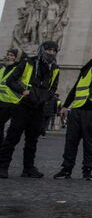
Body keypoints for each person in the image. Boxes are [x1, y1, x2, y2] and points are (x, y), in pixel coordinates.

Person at [53, 45, 92, 181]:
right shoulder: (86, 69)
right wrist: (65, 106)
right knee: (70, 141)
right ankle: (66, 169)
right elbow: (76, 88)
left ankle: (87, 171)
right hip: (77, 109)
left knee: (89, 143)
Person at [0, 41, 60, 179]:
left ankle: (28, 168)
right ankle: (2, 166)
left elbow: (53, 88)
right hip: (22, 105)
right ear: (42, 49)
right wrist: (23, 91)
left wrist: (45, 97)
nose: (51, 52)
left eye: (54, 50)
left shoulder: (55, 68)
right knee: (12, 137)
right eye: (48, 49)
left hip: (39, 107)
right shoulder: (27, 62)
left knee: (32, 140)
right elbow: (11, 81)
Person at [0, 48, 26, 143]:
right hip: (1, 100)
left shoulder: (19, 69)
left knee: (11, 128)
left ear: (17, 58)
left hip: (13, 102)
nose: (9, 57)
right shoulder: (2, 68)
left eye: (12, 56)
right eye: (8, 55)